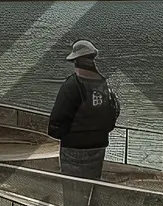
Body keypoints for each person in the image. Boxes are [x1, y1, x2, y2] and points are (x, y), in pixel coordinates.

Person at [47, 40, 121, 180]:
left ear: (76, 61)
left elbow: (57, 119)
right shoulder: (103, 84)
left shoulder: (71, 85)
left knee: (72, 192)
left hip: (74, 147)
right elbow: (113, 111)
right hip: (98, 146)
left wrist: (64, 134)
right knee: (93, 186)